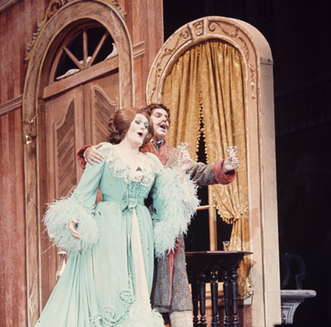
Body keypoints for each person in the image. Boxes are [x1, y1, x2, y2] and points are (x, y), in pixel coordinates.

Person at [77, 103, 239, 327]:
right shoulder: (137, 148)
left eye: (168, 118)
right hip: (133, 227)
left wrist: (224, 166)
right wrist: (87, 150)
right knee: (138, 288)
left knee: (176, 292)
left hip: (167, 233)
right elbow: (109, 151)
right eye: (158, 116)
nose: (165, 120)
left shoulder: (174, 155)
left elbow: (200, 172)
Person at [37, 107, 199, 327]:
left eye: (145, 125)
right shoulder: (104, 152)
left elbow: (165, 200)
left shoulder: (152, 162)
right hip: (109, 227)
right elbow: (84, 193)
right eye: (138, 122)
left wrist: (181, 173)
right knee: (110, 289)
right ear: (124, 125)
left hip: (140, 229)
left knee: (139, 289)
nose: (143, 127)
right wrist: (72, 217)